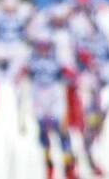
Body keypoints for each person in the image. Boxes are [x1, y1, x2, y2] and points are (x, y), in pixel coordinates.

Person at [16, 34, 78, 179]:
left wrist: (71, 75)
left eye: (46, 46)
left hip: (54, 96)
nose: (43, 50)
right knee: (44, 133)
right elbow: (20, 75)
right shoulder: (31, 60)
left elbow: (70, 75)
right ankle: (48, 167)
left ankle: (69, 167)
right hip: (38, 97)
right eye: (40, 47)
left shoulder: (57, 59)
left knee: (62, 132)